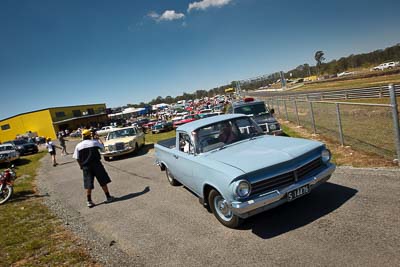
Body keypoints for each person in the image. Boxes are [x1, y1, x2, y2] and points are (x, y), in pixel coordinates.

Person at [73, 129, 114, 208]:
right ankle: (108, 197)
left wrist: (81, 166)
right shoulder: (94, 143)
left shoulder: (78, 146)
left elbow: (76, 158)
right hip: (96, 164)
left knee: (88, 183)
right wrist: (98, 138)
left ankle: (89, 201)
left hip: (86, 166)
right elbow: (102, 146)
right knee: (102, 180)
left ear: (82, 136)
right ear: (89, 135)